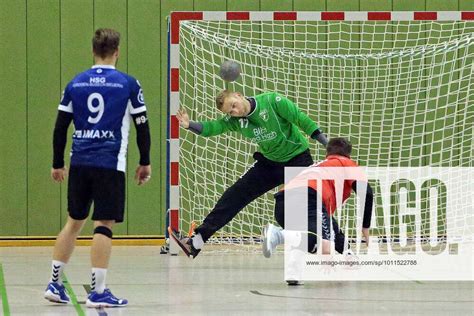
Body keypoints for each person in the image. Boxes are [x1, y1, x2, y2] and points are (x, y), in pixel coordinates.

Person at [43, 28, 152, 308]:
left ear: (93, 51)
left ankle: (54, 283)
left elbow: (59, 127)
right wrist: (145, 161)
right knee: (103, 224)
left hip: (79, 162)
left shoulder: (76, 83)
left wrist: (57, 162)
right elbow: (142, 126)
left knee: (73, 222)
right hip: (109, 163)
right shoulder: (128, 84)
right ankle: (98, 291)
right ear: (117, 52)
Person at [169, 90, 328, 258]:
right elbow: (213, 127)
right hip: (270, 163)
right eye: (230, 112)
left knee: (289, 212)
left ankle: (329, 245)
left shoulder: (273, 101)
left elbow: (301, 119)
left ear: (238, 95)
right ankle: (196, 242)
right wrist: (189, 125)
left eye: (234, 106)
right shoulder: (236, 121)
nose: (235, 112)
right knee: (234, 195)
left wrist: (326, 144)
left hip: (298, 161)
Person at [262, 138, 373, 284]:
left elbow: (332, 228)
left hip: (283, 201)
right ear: (348, 155)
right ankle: (278, 235)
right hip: (309, 198)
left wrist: (348, 253)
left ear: (327, 153)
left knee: (304, 235)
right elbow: (367, 193)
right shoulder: (346, 163)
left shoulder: (318, 167)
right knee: (322, 246)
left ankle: (293, 274)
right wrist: (365, 226)